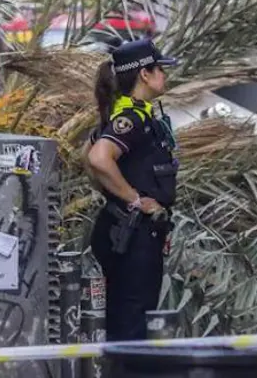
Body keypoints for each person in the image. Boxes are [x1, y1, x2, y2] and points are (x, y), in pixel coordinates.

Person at [85, 38, 179, 341]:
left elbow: (85, 157)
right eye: (160, 69)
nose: (164, 75)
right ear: (144, 74)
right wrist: (135, 200)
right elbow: (98, 158)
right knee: (132, 327)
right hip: (133, 236)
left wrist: (111, 189)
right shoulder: (131, 118)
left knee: (128, 323)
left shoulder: (130, 114)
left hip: (130, 234)